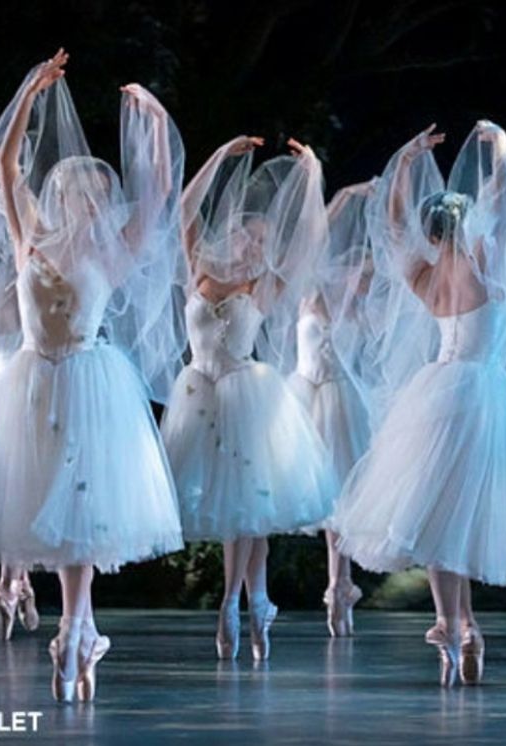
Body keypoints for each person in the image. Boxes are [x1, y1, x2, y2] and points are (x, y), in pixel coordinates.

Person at [0, 51, 186, 701]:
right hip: (38, 381)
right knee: (52, 507)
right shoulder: (32, 237)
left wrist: (157, 121)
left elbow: (162, 189)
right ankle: (76, 630)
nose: (89, 198)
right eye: (80, 190)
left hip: (80, 380)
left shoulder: (108, 250)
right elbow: (4, 166)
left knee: (78, 504)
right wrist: (28, 90)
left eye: (94, 191)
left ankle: (76, 627)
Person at [329, 122, 506, 687]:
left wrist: (406, 162)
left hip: (436, 392)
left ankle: (451, 625)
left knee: (434, 516)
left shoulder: (425, 272)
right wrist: (499, 144)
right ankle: (464, 627)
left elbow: (392, 221)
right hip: (481, 394)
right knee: (465, 516)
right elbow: (502, 203)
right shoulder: (481, 260)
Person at [165, 133, 337, 661]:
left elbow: (311, 237)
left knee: (247, 514)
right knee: (245, 515)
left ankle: (231, 606)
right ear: (235, 233)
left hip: (247, 396)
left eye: (265, 242)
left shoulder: (264, 286)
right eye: (251, 237)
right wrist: (219, 156)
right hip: (198, 392)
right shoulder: (199, 269)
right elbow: (183, 209)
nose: (256, 247)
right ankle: (258, 602)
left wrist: (311, 174)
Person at [289, 180, 379, 637]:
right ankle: (337, 583)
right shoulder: (309, 288)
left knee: (342, 497)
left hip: (342, 400)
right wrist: (346, 195)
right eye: (355, 268)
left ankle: (340, 584)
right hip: (306, 398)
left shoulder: (362, 307)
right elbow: (314, 234)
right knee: (322, 499)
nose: (359, 276)